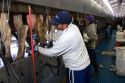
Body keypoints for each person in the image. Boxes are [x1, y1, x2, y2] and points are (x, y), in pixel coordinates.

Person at [35, 11, 91, 83]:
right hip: (85, 65)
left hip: (76, 70)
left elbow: (51, 52)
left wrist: (38, 48)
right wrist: (47, 37)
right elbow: (59, 34)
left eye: (57, 24)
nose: (55, 25)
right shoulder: (73, 27)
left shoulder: (67, 37)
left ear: (64, 25)